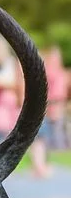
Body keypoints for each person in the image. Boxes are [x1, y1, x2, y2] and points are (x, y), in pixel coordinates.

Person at [31, 45, 67, 177]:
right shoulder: (49, 72)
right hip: (47, 107)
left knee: (48, 139)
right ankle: (40, 165)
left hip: (56, 106)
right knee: (42, 138)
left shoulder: (60, 72)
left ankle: (42, 164)